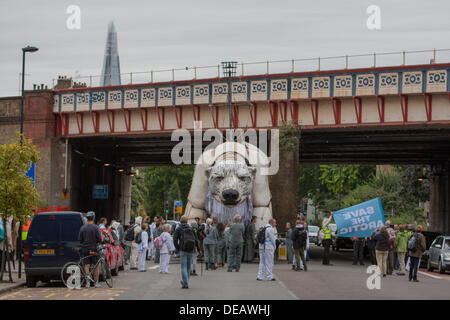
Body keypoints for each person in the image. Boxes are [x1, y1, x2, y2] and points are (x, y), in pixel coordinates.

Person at [78, 211, 102, 288]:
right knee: (96, 265)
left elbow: (80, 239)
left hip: (85, 249)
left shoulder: (83, 227)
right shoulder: (96, 227)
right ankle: (96, 283)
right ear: (93, 218)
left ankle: (87, 283)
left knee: (86, 265)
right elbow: (99, 239)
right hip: (93, 249)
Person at [173, 215, 196, 289]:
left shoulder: (179, 228)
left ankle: (185, 283)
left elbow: (175, 239)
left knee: (183, 267)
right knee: (188, 267)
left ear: (180, 221)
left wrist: (177, 248)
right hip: (190, 249)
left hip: (183, 249)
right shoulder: (190, 228)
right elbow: (196, 239)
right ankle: (186, 281)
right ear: (187, 221)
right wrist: (199, 249)